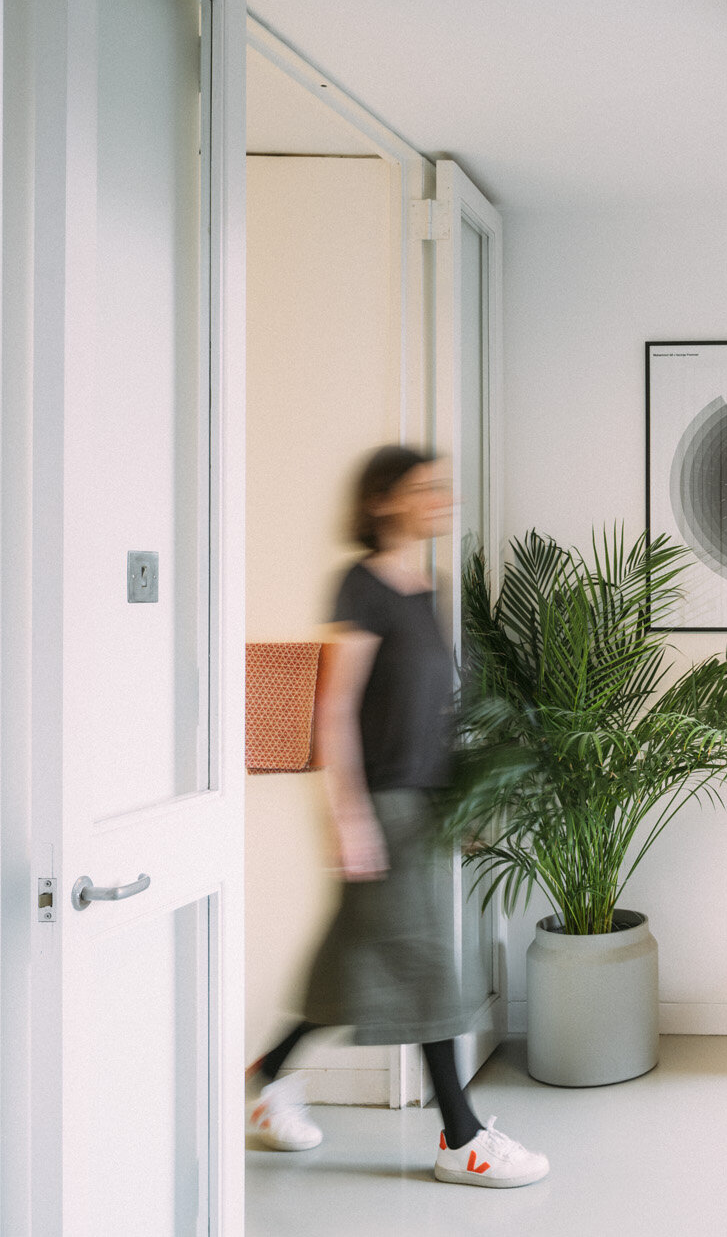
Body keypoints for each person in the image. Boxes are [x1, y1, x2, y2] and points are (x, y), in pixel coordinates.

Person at [245, 446, 549, 1189]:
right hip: (380, 803)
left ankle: (271, 1076)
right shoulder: (361, 585)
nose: (439, 498)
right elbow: (337, 706)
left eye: (440, 487)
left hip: (420, 803)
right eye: (423, 489)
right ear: (382, 502)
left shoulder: (427, 589)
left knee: (354, 961)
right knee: (424, 969)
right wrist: (345, 814)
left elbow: (432, 711)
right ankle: (462, 1137)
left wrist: (459, 802)